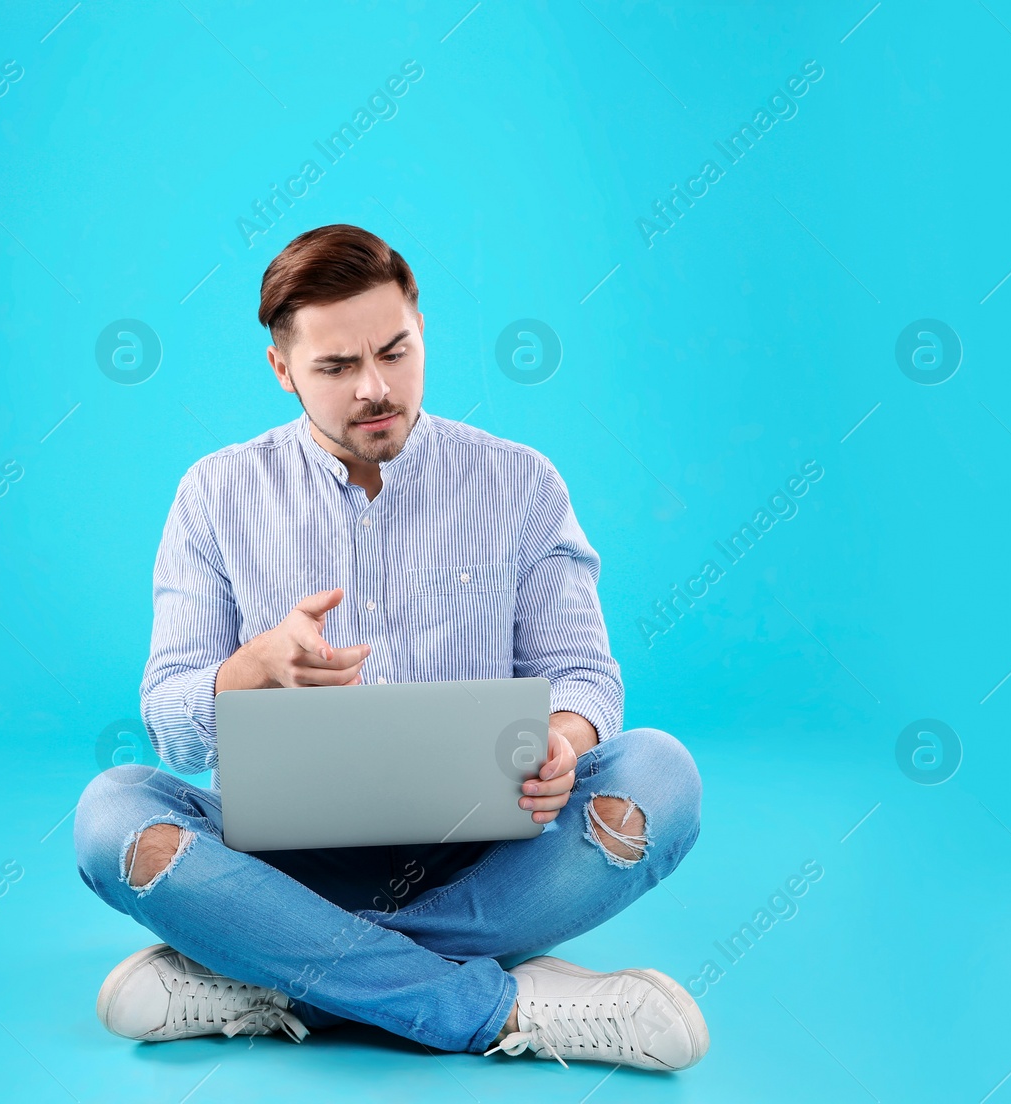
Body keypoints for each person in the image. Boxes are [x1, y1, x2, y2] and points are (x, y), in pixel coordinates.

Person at [73, 224, 706, 1070]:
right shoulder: (215, 494)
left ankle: (276, 977)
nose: (376, 388)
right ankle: (498, 1007)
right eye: (336, 367)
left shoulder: (519, 482)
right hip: (282, 867)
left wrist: (566, 739)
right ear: (282, 370)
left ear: (421, 332)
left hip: (489, 863)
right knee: (111, 816)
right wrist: (248, 672)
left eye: (396, 352)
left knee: (661, 773)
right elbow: (170, 728)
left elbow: (582, 675)